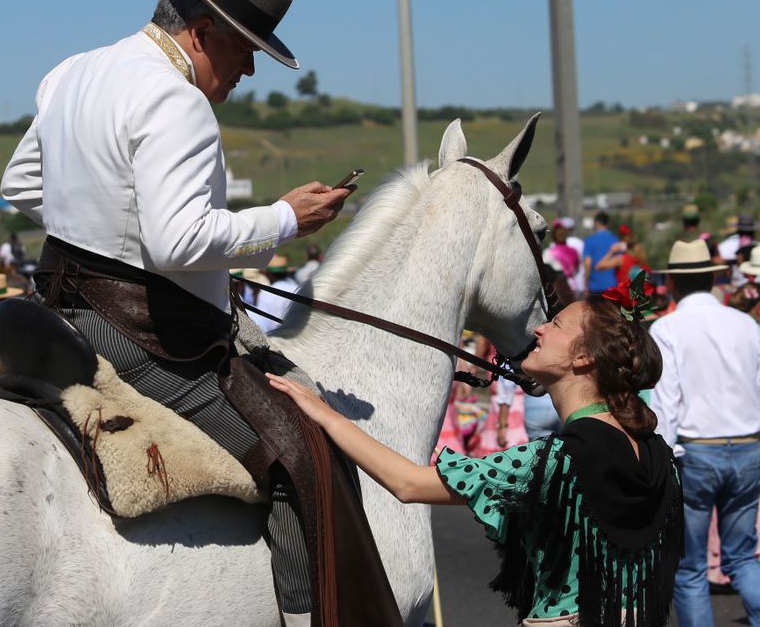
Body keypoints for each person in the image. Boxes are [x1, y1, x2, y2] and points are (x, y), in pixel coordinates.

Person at [0, 0, 353, 622]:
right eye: (247, 47)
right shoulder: (177, 100)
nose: (250, 68)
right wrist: (284, 218)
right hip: (139, 330)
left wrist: (103, 225)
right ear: (203, 31)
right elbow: (178, 240)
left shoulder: (73, 70)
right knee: (299, 451)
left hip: (58, 301)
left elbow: (21, 183)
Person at [269, 278, 683, 627]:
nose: (539, 329)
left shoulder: (555, 460)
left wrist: (326, 415)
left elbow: (409, 483)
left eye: (556, 324)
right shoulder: (659, 452)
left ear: (583, 357)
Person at [649, 238, 760, 627]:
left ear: (673, 284)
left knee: (691, 567)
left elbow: (667, 401)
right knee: (742, 557)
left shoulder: (668, 327)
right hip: (745, 448)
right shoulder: (744, 324)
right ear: (712, 280)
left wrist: (665, 456)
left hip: (696, 452)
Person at [581, 212, 622, 295]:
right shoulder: (616, 240)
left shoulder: (589, 241)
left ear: (596, 223)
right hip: (612, 285)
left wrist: (585, 284)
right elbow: (619, 262)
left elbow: (588, 263)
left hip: (595, 286)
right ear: (608, 223)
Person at [546, 217, 585, 299]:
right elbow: (577, 268)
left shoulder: (550, 252)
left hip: (559, 288)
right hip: (575, 285)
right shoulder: (574, 249)